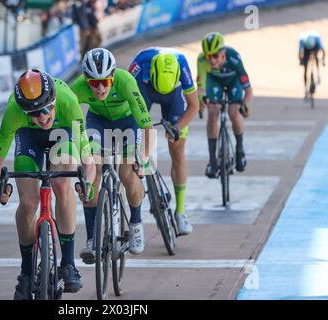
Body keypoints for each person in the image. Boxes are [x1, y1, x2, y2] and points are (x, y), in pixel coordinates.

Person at [0, 69, 96, 299]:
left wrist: (89, 185)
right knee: (28, 203)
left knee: (63, 185)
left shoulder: (68, 102)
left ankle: (67, 263)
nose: (43, 117)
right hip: (29, 138)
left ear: (55, 100)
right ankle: (26, 273)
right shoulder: (14, 111)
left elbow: (88, 160)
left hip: (62, 134)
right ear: (24, 110)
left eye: (48, 108)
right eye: (35, 114)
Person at [70, 48, 156, 263]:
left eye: (105, 82)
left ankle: (135, 223)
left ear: (113, 77)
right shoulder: (77, 87)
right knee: (93, 170)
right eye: (94, 83)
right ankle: (92, 238)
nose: (99, 88)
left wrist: (143, 159)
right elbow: (65, 117)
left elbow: (147, 127)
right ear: (85, 80)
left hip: (129, 123)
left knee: (129, 175)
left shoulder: (126, 81)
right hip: (97, 123)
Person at [128, 47, 199, 235]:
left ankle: (181, 211)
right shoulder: (139, 64)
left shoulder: (182, 64)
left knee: (177, 149)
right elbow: (125, 103)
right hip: (144, 90)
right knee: (134, 137)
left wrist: (176, 128)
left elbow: (194, 106)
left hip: (173, 96)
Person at [197, 32, 253, 179]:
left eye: (215, 56)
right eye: (209, 56)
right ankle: (213, 161)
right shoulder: (202, 60)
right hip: (214, 81)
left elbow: (248, 89)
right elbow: (201, 86)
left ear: (223, 53)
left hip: (233, 81)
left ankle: (239, 150)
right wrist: (202, 100)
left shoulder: (234, 58)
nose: (212, 60)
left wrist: (246, 105)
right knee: (213, 111)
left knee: (234, 112)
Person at [298, 30, 326, 99]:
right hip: (306, 49)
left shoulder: (317, 39)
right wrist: (301, 60)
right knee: (305, 68)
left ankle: (318, 73)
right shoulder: (302, 40)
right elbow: (300, 52)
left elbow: (323, 50)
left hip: (314, 46)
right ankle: (305, 89)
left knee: (316, 56)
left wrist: (323, 60)